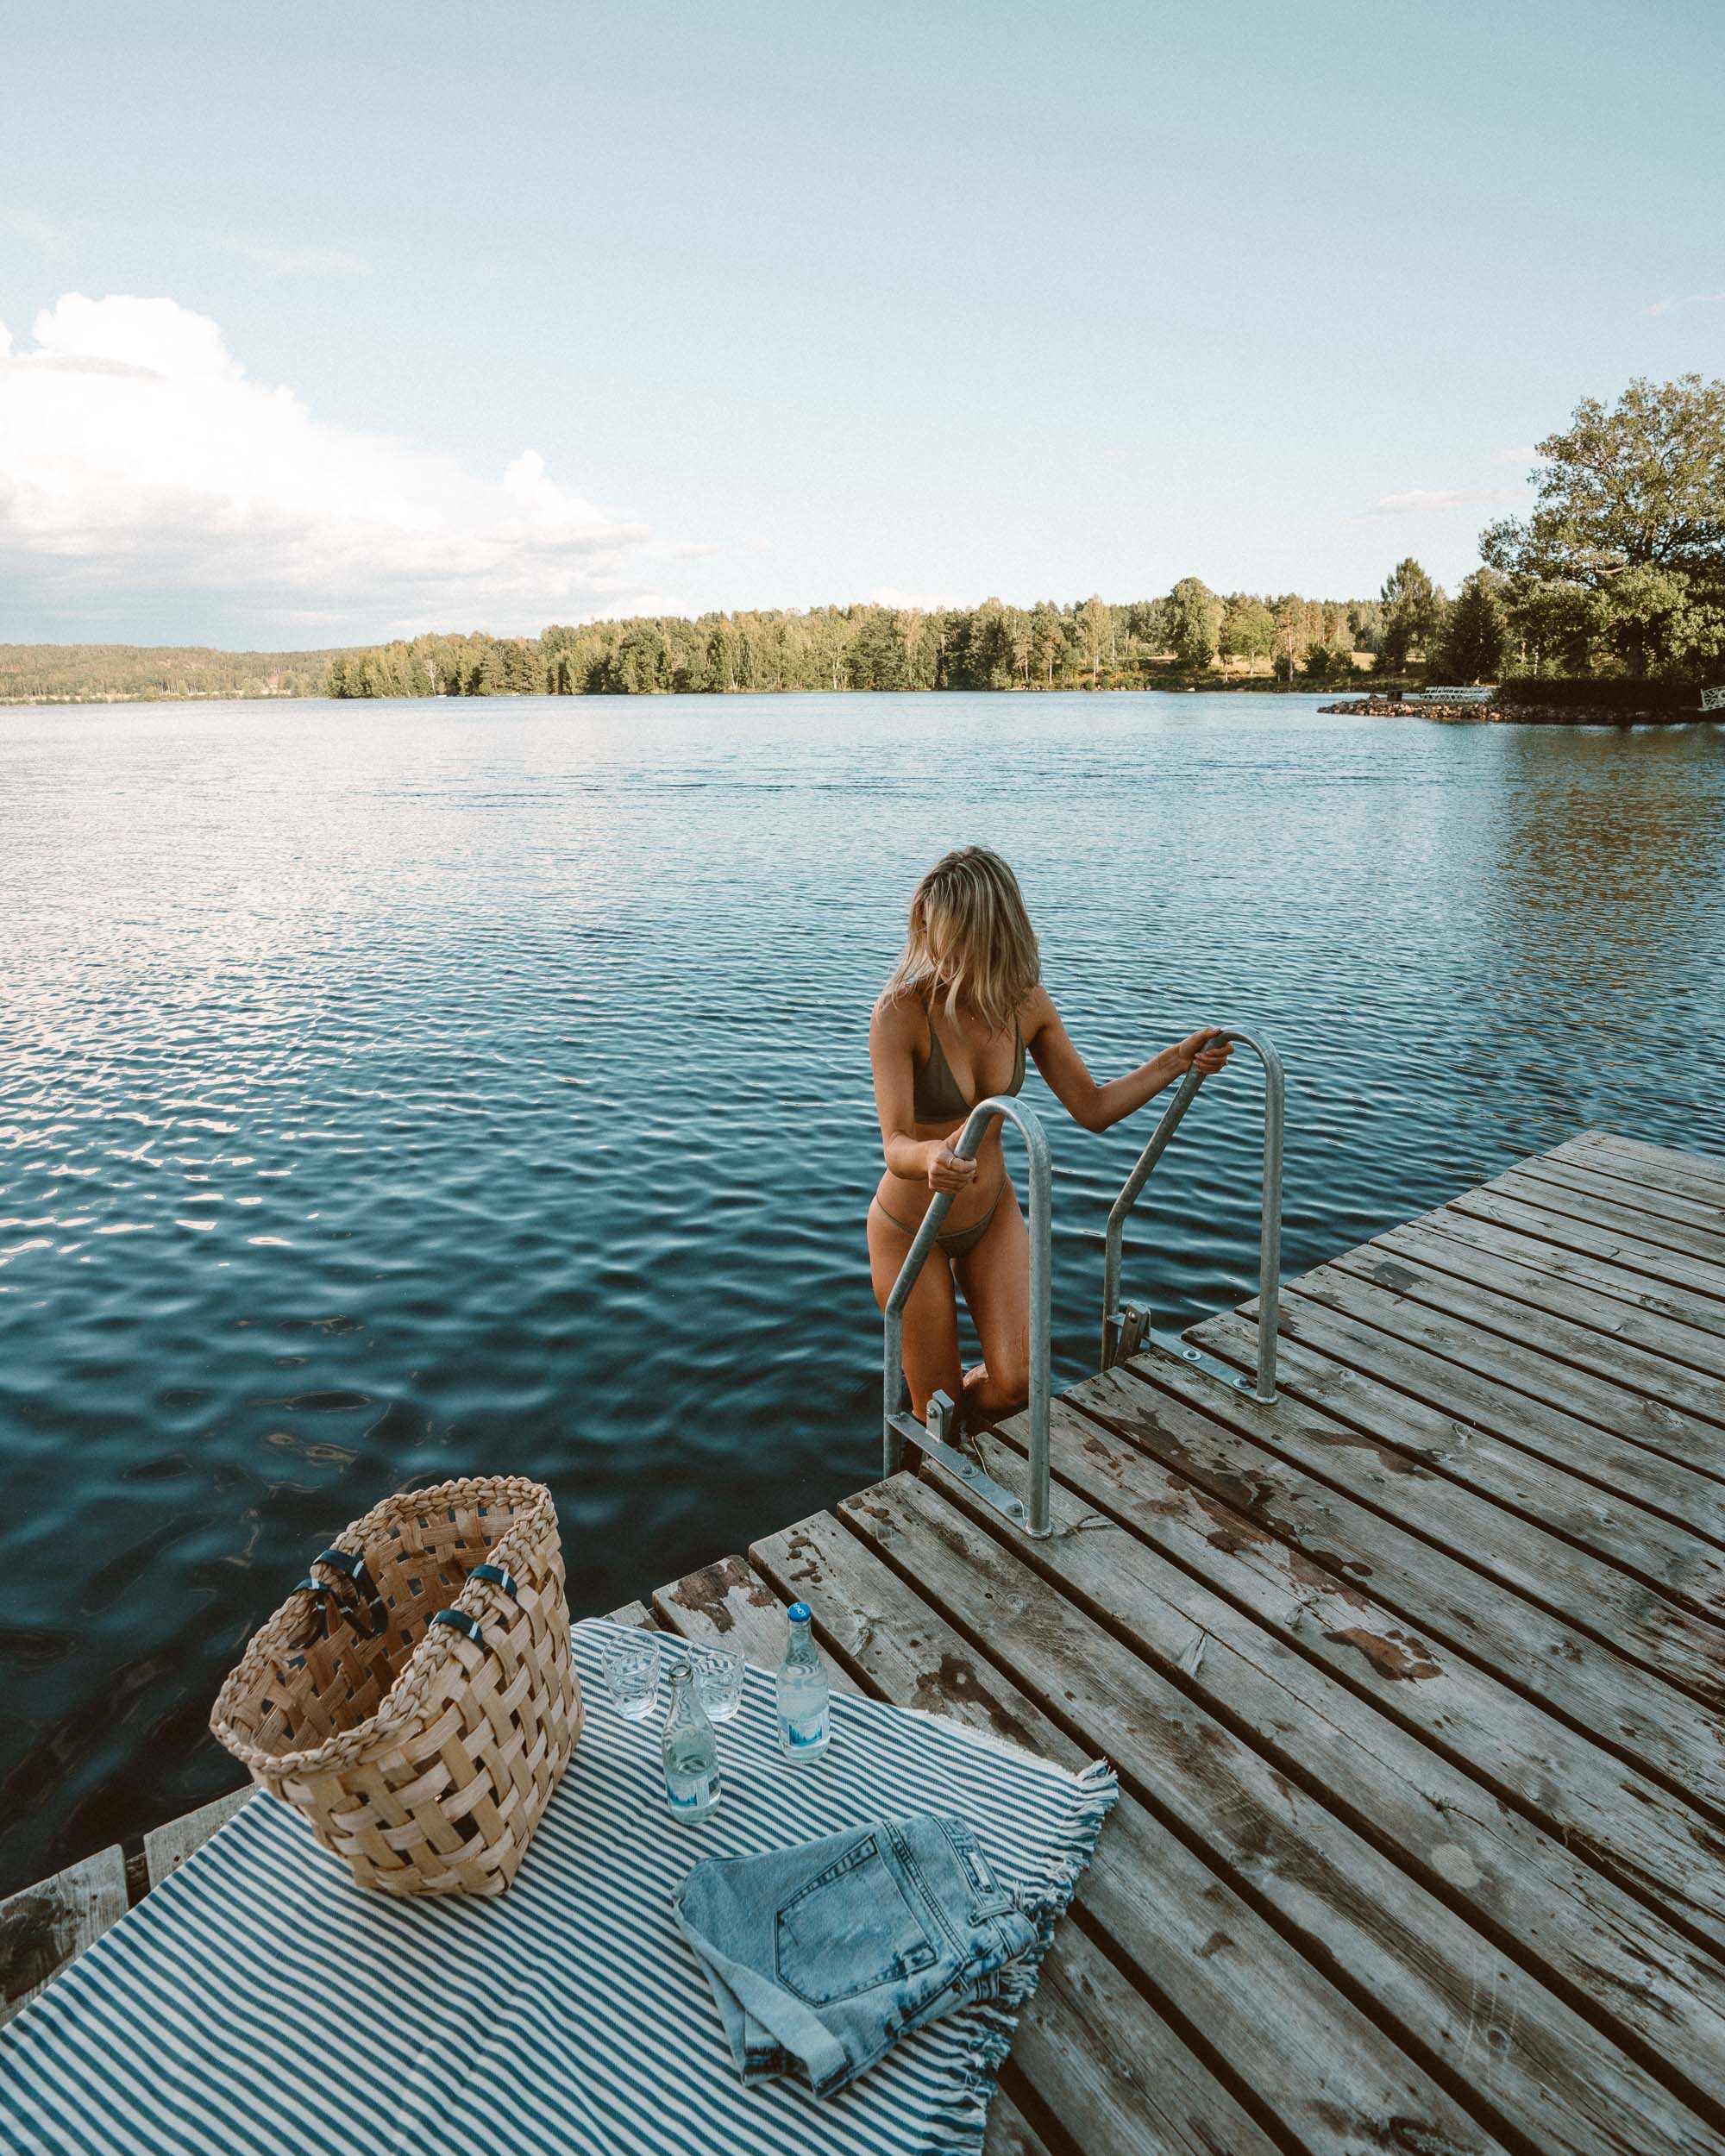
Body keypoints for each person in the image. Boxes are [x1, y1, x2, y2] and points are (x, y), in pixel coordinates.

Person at [869, 846, 1232, 1432]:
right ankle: (930, 1476)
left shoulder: (1027, 1003)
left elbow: (1092, 1108)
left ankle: (960, 1439)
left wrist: (1174, 1063)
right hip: (911, 1229)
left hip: (992, 1215)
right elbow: (894, 1143)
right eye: (927, 933)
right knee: (931, 1412)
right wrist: (930, 1156)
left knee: (1018, 1386)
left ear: (990, 931)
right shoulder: (899, 1013)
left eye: (949, 937)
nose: (935, 953)